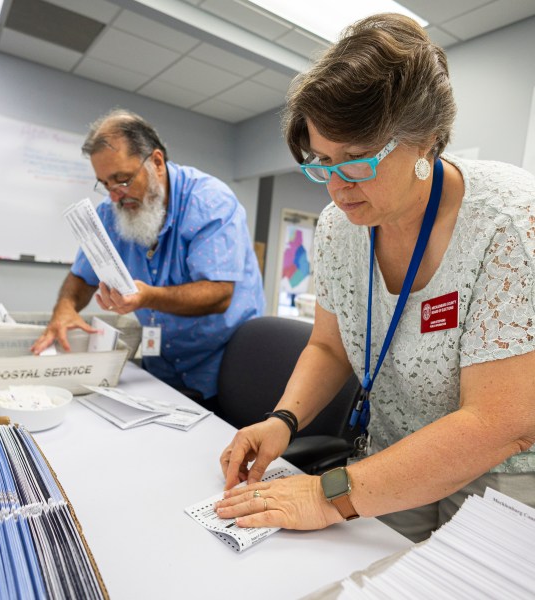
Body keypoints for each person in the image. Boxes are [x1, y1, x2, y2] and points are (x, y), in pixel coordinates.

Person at [216, 13, 535, 542]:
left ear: (426, 141)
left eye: (358, 160)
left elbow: (500, 422)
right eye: (322, 160)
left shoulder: (509, 222)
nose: (335, 186)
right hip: (389, 456)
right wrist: (283, 421)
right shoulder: (339, 228)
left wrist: (325, 496)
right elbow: (328, 346)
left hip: (500, 474)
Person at [32, 109, 265, 408]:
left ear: (156, 162)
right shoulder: (109, 212)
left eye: (123, 180)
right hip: (162, 364)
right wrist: (64, 309)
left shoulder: (210, 202)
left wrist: (147, 297)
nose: (115, 196)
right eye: (105, 184)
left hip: (223, 364)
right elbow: (81, 277)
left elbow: (218, 294)